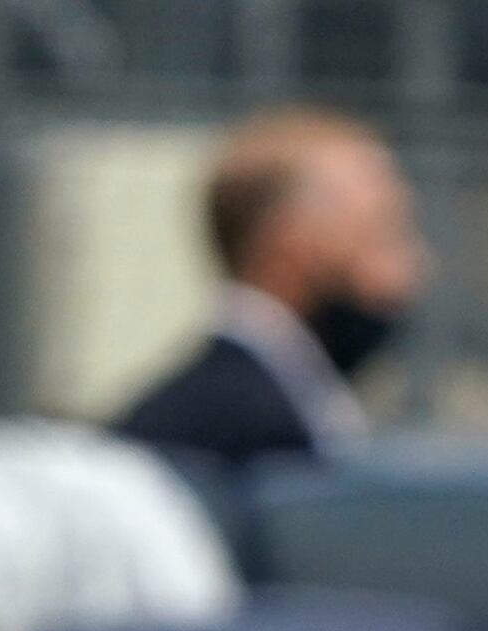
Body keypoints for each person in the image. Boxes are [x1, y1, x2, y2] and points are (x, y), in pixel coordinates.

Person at [112, 109, 427, 475]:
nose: (417, 270)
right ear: (294, 243)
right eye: (384, 235)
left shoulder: (283, 401)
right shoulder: (249, 431)